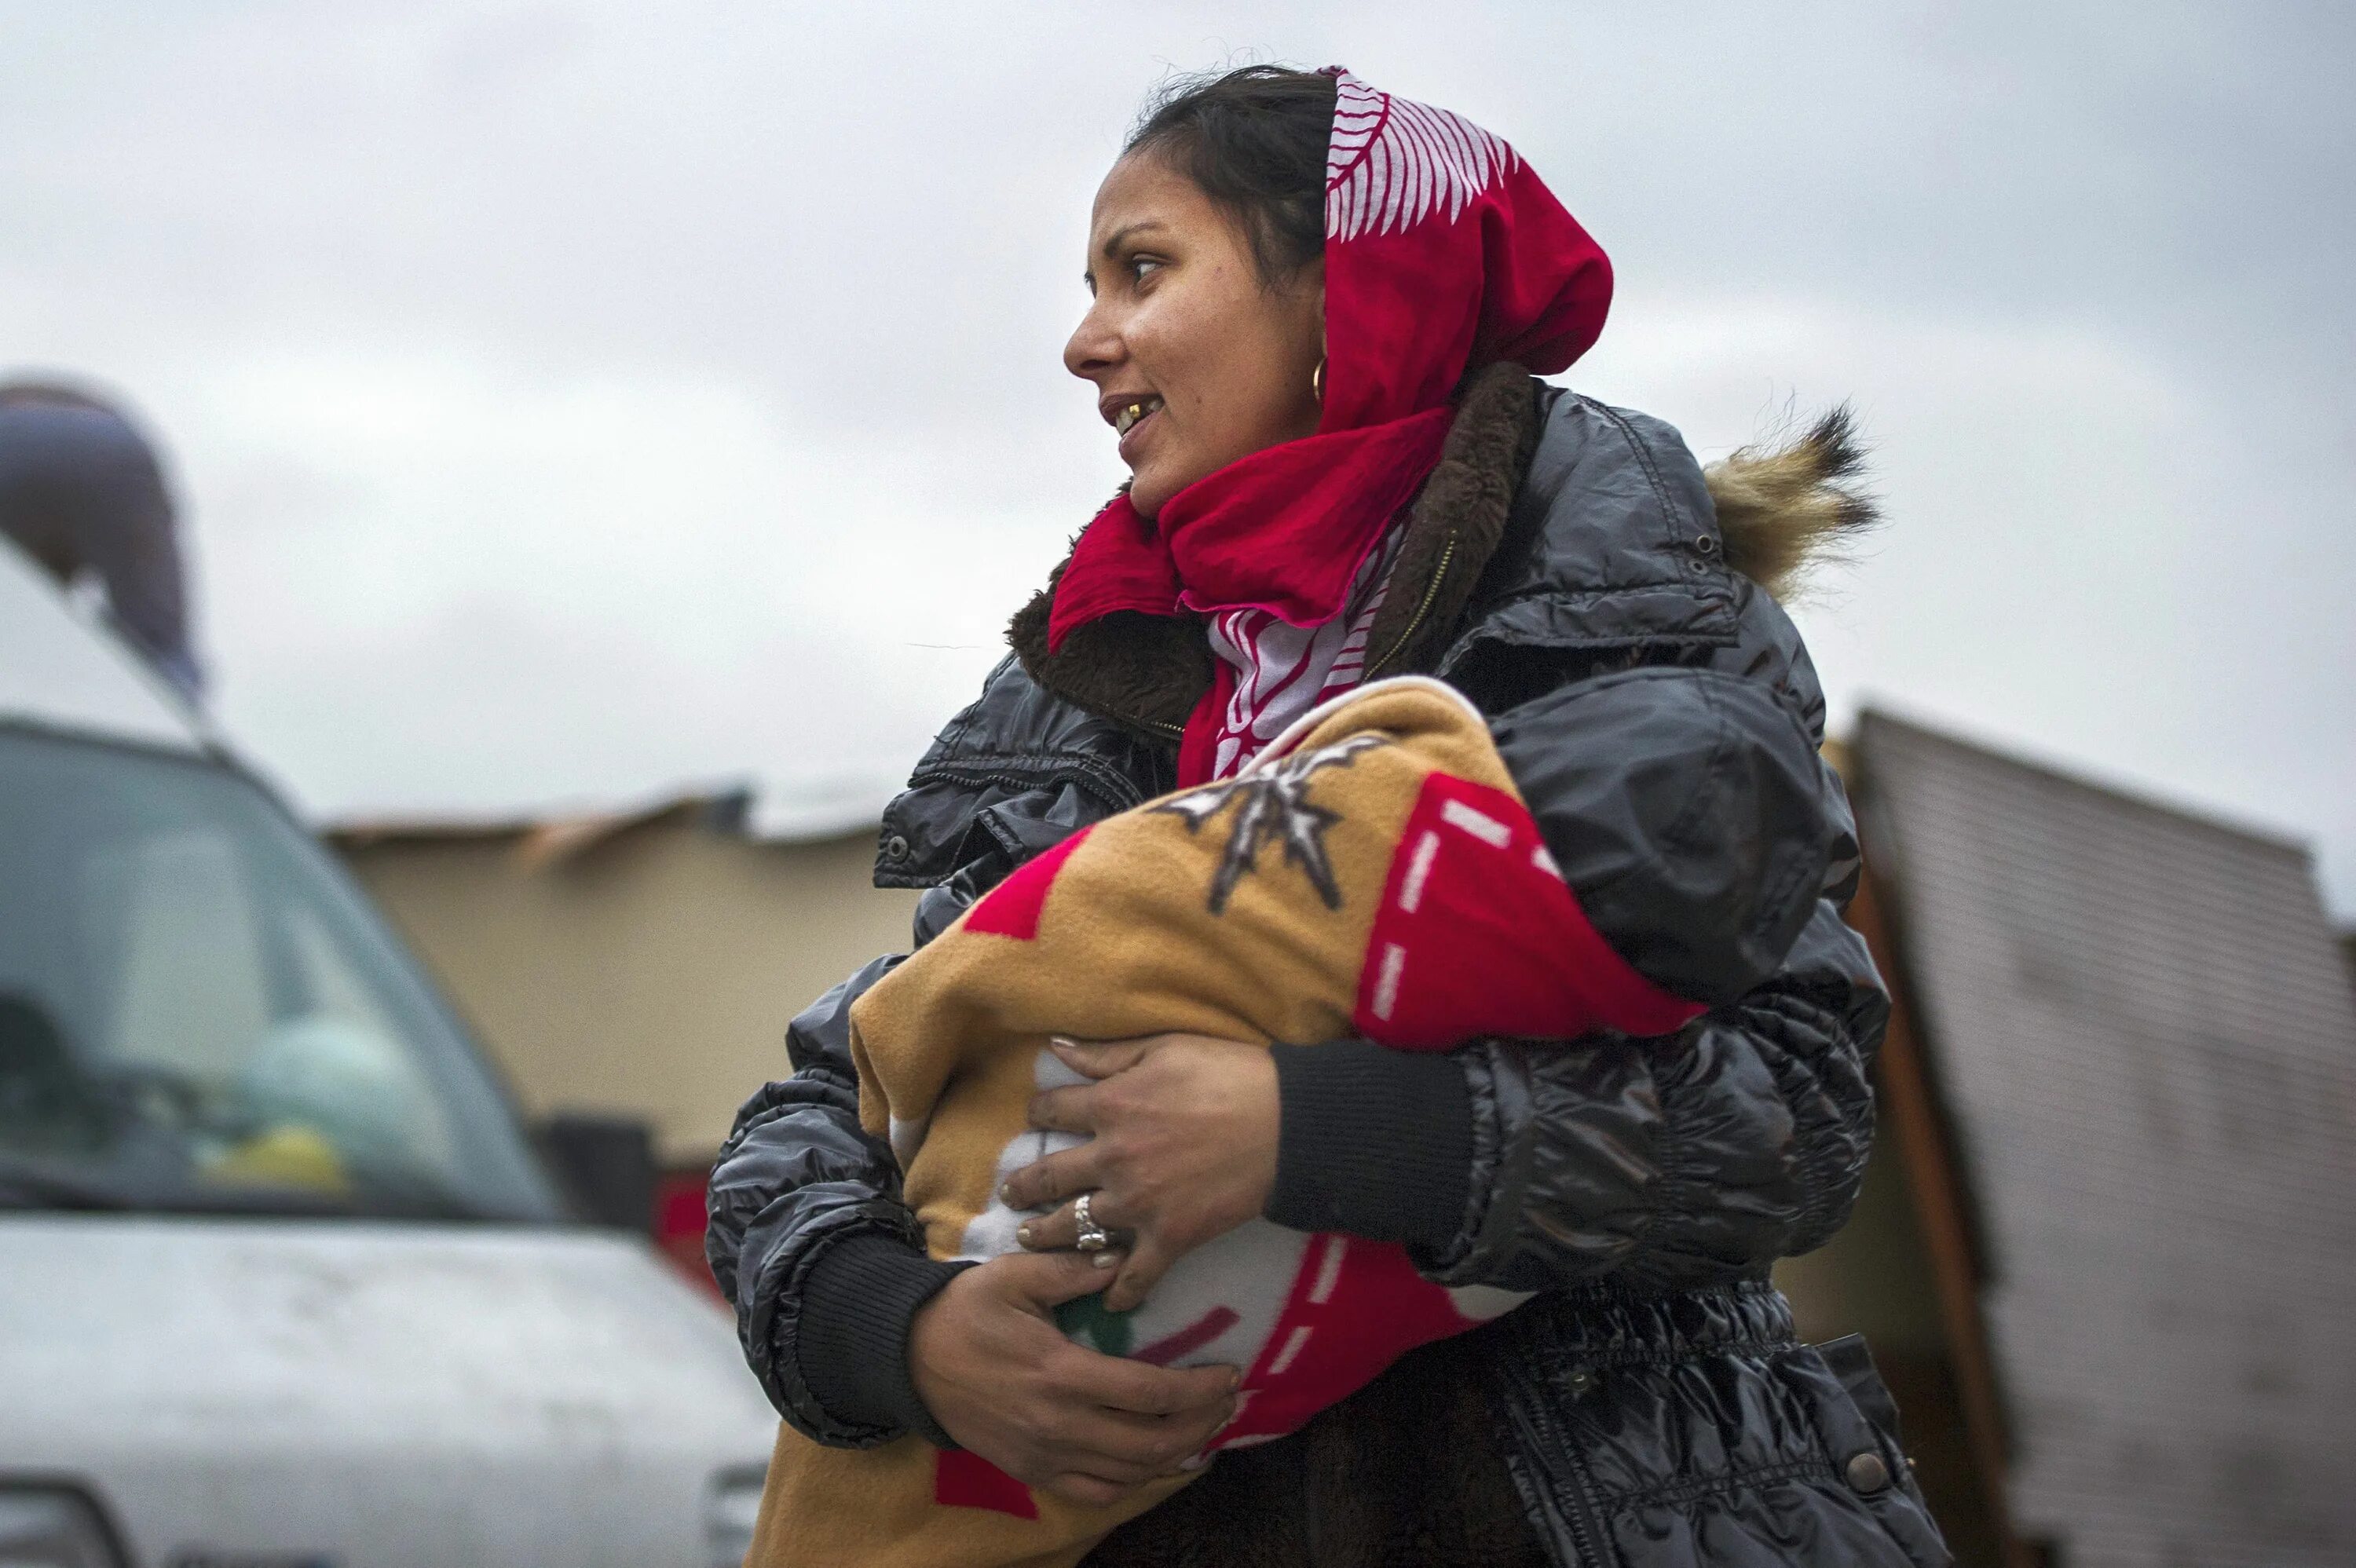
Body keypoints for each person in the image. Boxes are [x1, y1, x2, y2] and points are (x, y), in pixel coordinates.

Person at [708, 64, 1951, 1568]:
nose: (1084, 341)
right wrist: (905, 1335)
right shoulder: (1079, 692)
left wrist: (1311, 1132)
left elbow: (1797, 1117)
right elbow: (853, 1085)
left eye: (1143, 269)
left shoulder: (1639, 633)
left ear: (1344, 290)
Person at [0, 378, 203, 703]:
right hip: (110, 439)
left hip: (10, 431)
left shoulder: (36, 556)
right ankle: (173, 731)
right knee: (160, 648)